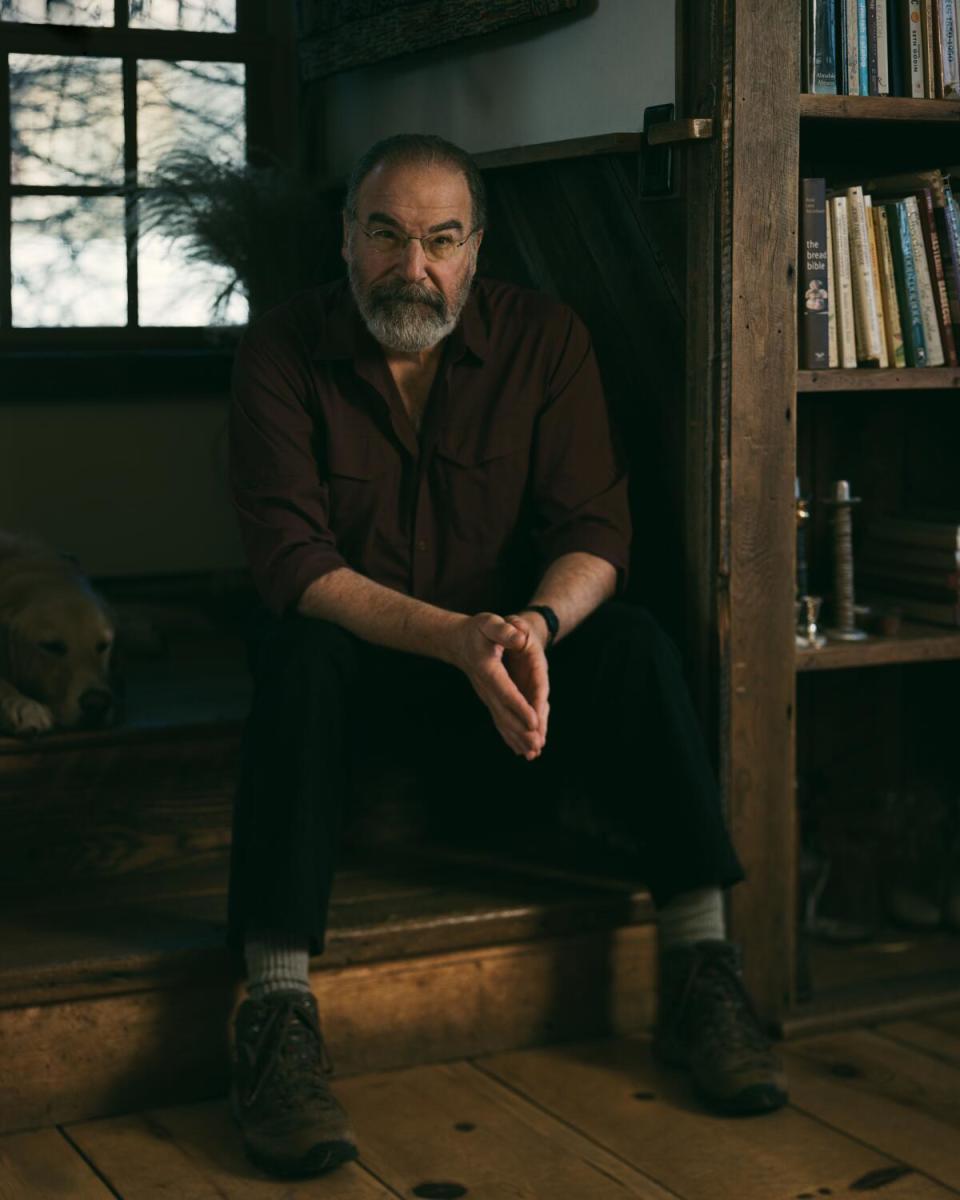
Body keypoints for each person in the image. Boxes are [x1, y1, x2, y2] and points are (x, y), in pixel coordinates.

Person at [225, 133, 787, 1181]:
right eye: (386, 235)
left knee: (631, 644)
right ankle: (276, 1019)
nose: (413, 267)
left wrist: (530, 630)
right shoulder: (280, 348)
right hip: (362, 673)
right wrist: (453, 638)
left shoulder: (546, 339)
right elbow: (293, 562)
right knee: (297, 652)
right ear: (347, 241)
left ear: (477, 249)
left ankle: (703, 968)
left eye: (441, 240)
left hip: (508, 675)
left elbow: (595, 534)